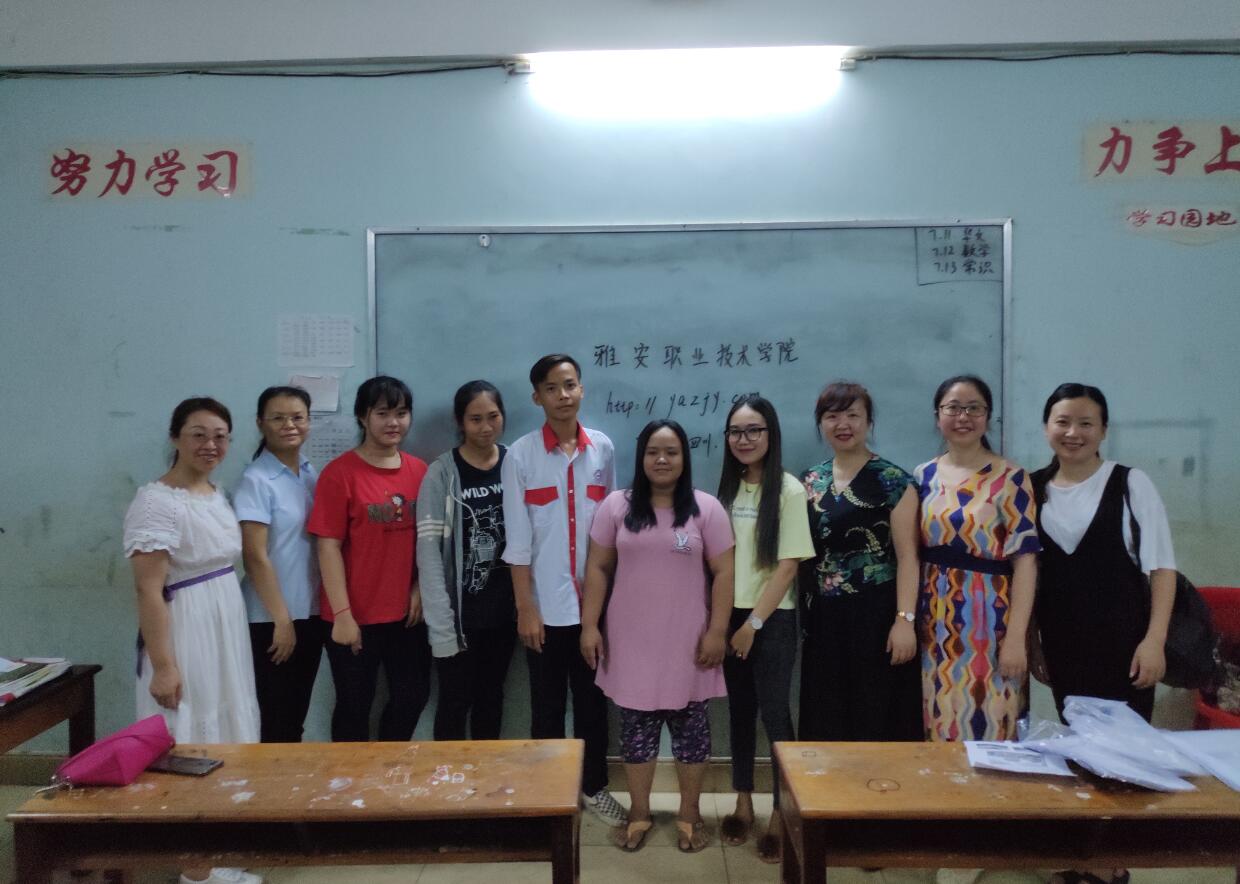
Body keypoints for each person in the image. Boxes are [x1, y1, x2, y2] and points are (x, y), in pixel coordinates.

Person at [1031, 386, 1175, 884]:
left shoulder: (1131, 484)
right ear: (1046, 427)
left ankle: (1113, 865)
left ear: (1104, 430)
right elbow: (1028, 575)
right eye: (1062, 421)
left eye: (1086, 423)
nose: (1073, 433)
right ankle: (1084, 855)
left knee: (1123, 754)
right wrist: (1032, 642)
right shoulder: (1032, 487)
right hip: (1064, 645)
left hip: (1125, 645)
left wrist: (1154, 640)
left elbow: (1161, 568)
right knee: (1081, 748)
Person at [123, 397, 262, 884]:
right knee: (190, 733)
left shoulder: (215, 493)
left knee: (226, 728)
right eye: (198, 434)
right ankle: (195, 869)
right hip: (186, 626)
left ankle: (219, 851)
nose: (211, 445)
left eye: (220, 436)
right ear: (175, 437)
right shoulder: (156, 501)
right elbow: (148, 588)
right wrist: (164, 665)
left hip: (225, 622)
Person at [580, 419, 734, 853]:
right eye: (653, 451)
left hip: (690, 644)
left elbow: (724, 573)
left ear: (684, 458)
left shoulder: (706, 509)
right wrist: (590, 625)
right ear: (641, 457)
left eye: (671, 452)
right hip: (630, 645)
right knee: (636, 736)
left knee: (692, 736)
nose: (662, 459)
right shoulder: (616, 506)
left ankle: (689, 814)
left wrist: (717, 631)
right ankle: (640, 814)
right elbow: (598, 568)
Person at [500, 354, 625, 828]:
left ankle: (594, 787)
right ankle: (550, 795)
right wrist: (525, 608)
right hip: (545, 609)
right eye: (551, 388)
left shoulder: (603, 450)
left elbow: (611, 530)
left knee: (593, 705)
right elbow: (517, 540)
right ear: (537, 397)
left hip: (594, 609)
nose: (563, 395)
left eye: (570, 385)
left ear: (581, 389)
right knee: (546, 707)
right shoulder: (521, 455)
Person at [717, 394, 814, 864]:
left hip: (772, 619)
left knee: (775, 714)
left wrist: (753, 624)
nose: (745, 439)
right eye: (736, 431)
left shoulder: (790, 490)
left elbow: (788, 566)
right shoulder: (726, 490)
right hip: (730, 617)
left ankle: (781, 812)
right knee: (739, 711)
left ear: (770, 435)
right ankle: (742, 802)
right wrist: (727, 623)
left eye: (754, 430)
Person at [916, 375, 1040, 742]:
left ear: (988, 416)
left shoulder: (1011, 478)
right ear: (937, 415)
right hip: (933, 621)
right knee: (937, 718)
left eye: (974, 408)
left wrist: (1016, 637)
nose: (963, 417)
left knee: (991, 719)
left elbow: (1026, 562)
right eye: (953, 408)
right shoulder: (923, 475)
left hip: (989, 622)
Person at [307, 376, 430, 742]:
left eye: (401, 413)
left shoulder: (420, 471)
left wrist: (420, 588)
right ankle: (350, 776)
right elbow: (327, 547)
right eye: (382, 413)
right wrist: (343, 615)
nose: (393, 422)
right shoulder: (339, 474)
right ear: (363, 417)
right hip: (353, 616)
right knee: (354, 706)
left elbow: (429, 540)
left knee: (412, 698)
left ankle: (388, 768)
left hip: (406, 615)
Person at [799, 382, 922, 743]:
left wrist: (904, 621)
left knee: (874, 712)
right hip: (823, 617)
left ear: (869, 422)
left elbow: (908, 557)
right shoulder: (811, 480)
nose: (843, 424)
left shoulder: (894, 481)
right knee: (827, 714)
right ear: (821, 423)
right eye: (832, 416)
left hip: (877, 615)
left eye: (853, 415)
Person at [417, 380, 516, 740]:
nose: (486, 427)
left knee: (492, 698)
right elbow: (428, 553)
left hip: (506, 614)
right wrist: (441, 624)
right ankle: (449, 775)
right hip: (459, 617)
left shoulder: (515, 463)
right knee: (455, 701)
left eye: (493, 416)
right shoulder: (442, 473)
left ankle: (483, 774)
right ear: (460, 421)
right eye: (475, 419)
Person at [233, 385, 322, 744]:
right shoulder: (255, 480)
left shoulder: (310, 472)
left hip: (310, 612)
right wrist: (281, 620)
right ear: (260, 423)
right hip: (270, 619)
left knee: (294, 718)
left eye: (298, 417)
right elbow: (254, 556)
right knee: (274, 720)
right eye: (278, 418)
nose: (289, 425)